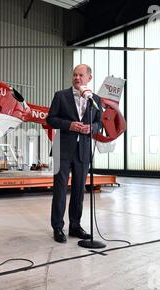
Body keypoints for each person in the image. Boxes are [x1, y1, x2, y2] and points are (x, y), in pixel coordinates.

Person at [46, 64, 103, 243]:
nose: (77, 78)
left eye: (81, 75)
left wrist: (91, 128)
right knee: (60, 190)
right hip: (62, 149)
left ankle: (75, 226)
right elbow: (51, 119)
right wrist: (69, 125)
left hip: (83, 150)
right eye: (75, 75)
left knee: (79, 190)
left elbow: (99, 123)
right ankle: (57, 227)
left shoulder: (96, 100)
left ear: (89, 78)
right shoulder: (60, 96)